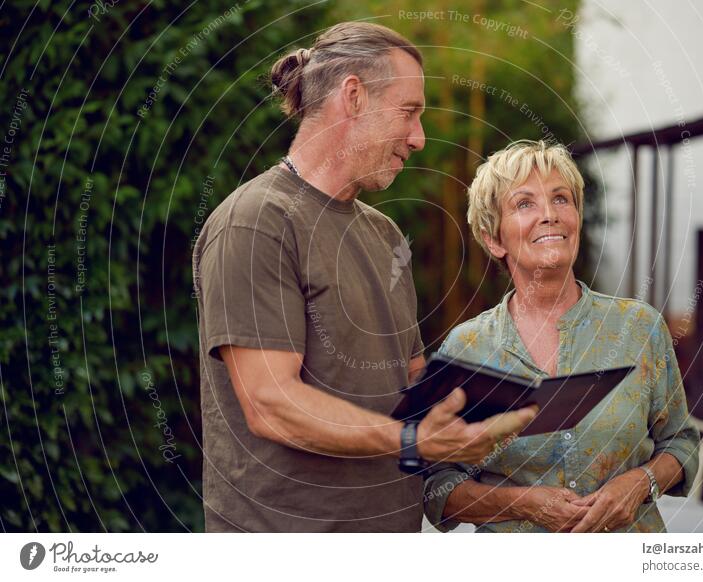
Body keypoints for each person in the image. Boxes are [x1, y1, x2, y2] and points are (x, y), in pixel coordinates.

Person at [191, 22, 536, 533]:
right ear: (353, 96)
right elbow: (272, 405)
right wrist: (411, 440)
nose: (419, 138)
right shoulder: (258, 221)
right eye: (409, 112)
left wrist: (495, 402)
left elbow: (411, 377)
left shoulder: (384, 233)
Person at [423, 140, 700, 533]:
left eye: (561, 199)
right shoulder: (465, 350)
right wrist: (522, 503)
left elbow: (681, 442)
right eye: (524, 204)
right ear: (494, 239)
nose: (550, 215)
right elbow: (438, 486)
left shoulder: (640, 328)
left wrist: (639, 483)